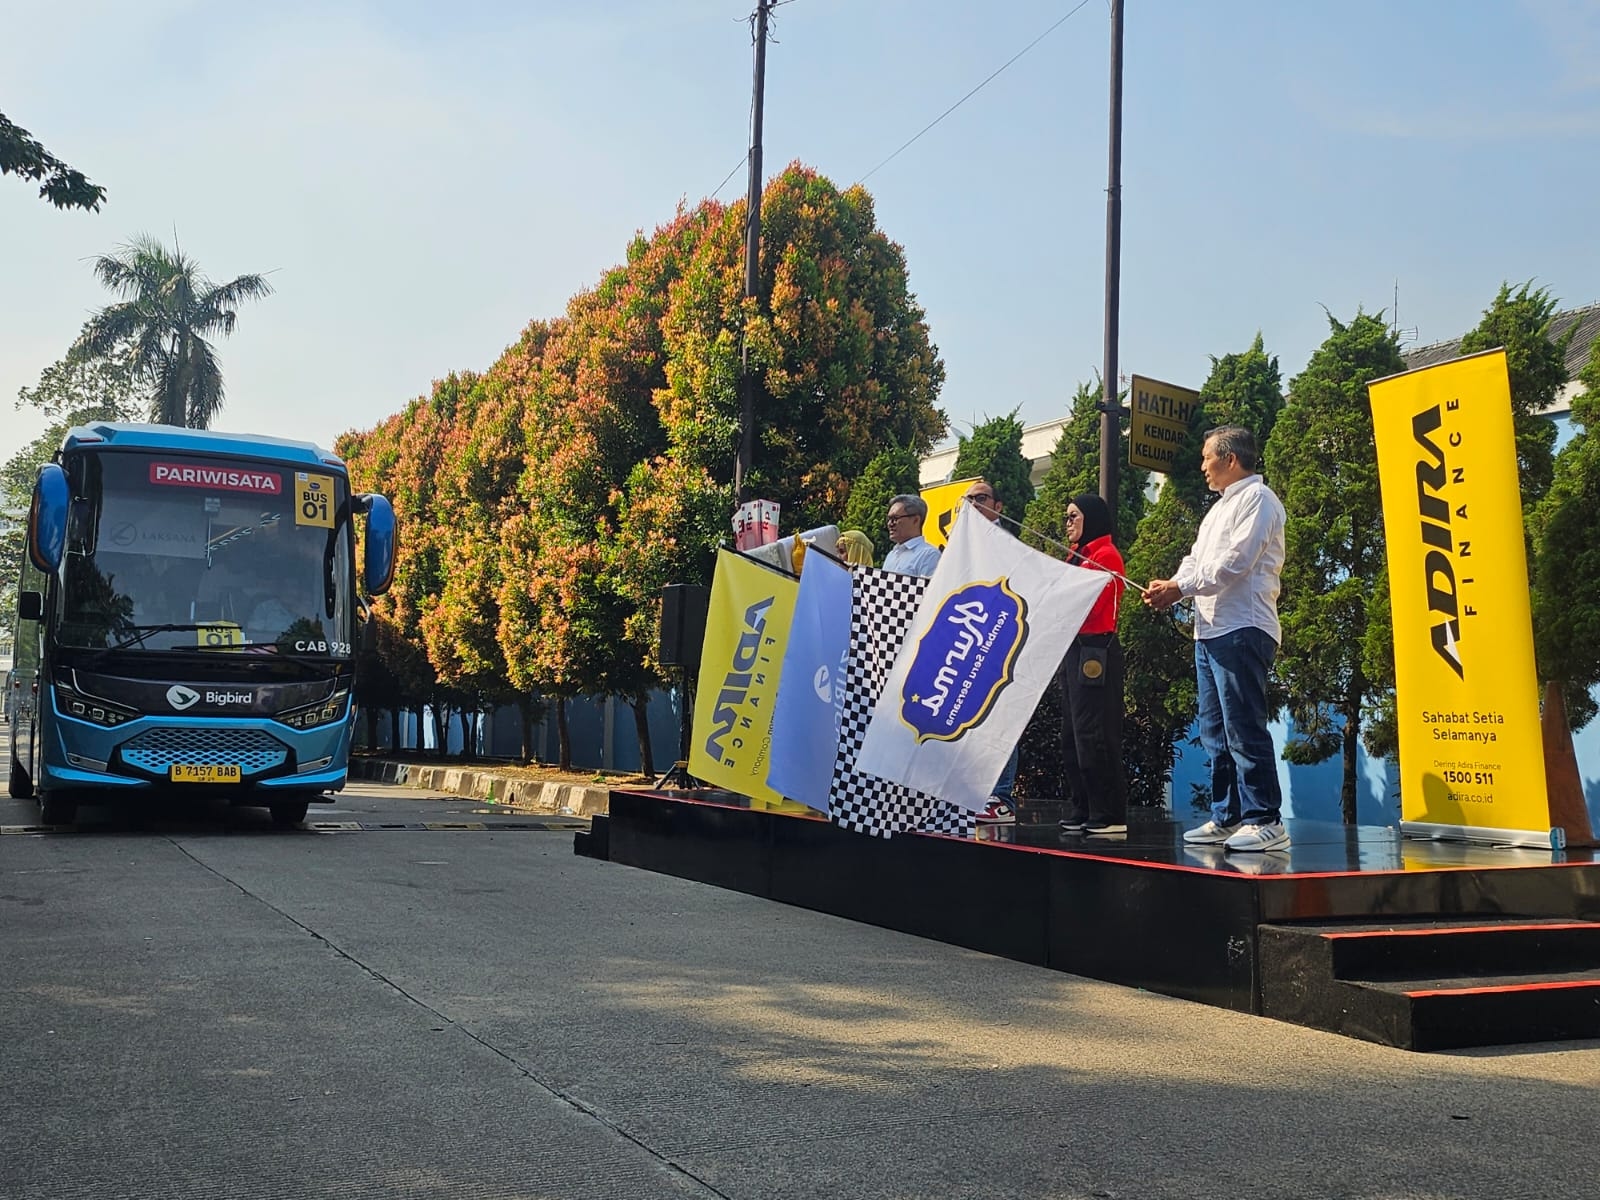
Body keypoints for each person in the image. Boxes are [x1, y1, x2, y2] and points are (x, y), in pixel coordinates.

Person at [1143, 426, 1288, 852]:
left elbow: (1236, 563)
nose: (1202, 465)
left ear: (1229, 459)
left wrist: (1180, 590)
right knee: (1215, 730)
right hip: (1209, 629)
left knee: (1244, 725)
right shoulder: (1218, 509)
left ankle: (1265, 818)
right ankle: (1228, 816)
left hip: (1243, 626)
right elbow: (1196, 560)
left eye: (1207, 457)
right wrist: (1172, 584)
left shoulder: (1258, 500)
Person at [1057, 493, 1129, 838]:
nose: (1068, 522)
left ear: (1092, 519)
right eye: (1067, 516)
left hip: (1096, 649)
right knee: (1072, 733)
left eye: (1074, 516)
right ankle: (1082, 804)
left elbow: (1087, 604)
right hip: (1074, 649)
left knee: (1095, 732)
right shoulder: (1078, 555)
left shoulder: (1105, 556)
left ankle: (1108, 810)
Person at [961, 479, 1020, 827]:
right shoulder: (961, 545)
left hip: (999, 643)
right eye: (967, 499)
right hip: (967, 643)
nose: (972, 504)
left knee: (999, 719)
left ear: (998, 506)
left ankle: (1002, 797)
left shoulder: (1006, 544)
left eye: (980, 498)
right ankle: (973, 792)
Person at [881, 494, 942, 577]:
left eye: (895, 519)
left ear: (916, 520)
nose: (890, 524)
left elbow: (928, 589)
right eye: (889, 519)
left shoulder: (929, 555)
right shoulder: (891, 555)